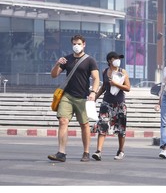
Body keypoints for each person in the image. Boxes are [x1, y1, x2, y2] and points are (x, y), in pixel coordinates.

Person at [48, 34, 100, 162]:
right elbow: (54, 75)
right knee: (63, 121)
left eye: (79, 44)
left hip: (83, 97)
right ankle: (61, 153)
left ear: (84, 44)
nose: (76, 46)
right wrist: (57, 64)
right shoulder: (66, 59)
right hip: (67, 96)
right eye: (74, 44)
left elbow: (96, 78)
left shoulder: (90, 60)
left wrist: (93, 92)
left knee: (84, 125)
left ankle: (86, 152)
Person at [92, 51, 131, 161]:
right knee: (102, 126)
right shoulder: (105, 71)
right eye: (115, 58)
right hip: (106, 103)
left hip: (119, 104)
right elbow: (104, 87)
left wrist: (116, 84)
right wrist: (95, 97)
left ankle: (121, 150)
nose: (118, 61)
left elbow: (128, 88)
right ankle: (98, 151)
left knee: (120, 129)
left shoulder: (122, 72)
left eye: (119, 58)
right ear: (109, 60)